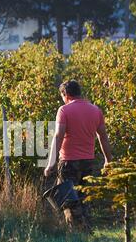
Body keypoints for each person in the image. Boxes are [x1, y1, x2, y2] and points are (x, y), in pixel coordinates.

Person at [44, 80, 113, 231]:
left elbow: (58, 136)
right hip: (88, 162)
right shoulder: (95, 110)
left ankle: (76, 233)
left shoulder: (64, 110)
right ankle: (87, 229)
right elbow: (103, 137)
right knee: (83, 197)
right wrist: (108, 159)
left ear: (65, 94)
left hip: (69, 162)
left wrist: (51, 163)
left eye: (62, 96)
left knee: (68, 199)